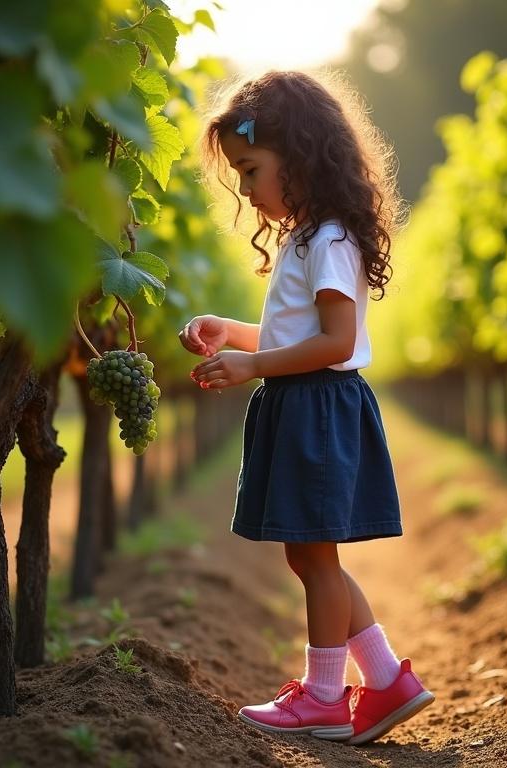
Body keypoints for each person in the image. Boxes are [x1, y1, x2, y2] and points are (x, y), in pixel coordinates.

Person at [178, 70, 434, 745]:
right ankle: (385, 683)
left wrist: (253, 365)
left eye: (251, 168)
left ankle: (324, 697)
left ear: (300, 154)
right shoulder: (305, 237)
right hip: (302, 404)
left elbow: (335, 342)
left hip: (317, 407)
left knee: (316, 560)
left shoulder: (328, 240)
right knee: (309, 557)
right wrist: (230, 332)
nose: (244, 186)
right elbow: (298, 337)